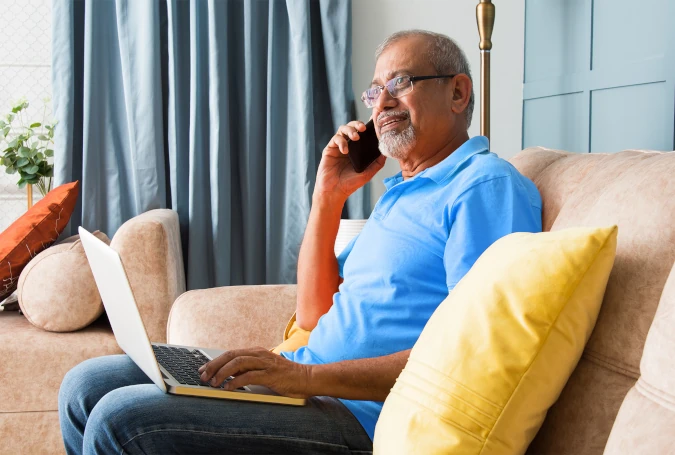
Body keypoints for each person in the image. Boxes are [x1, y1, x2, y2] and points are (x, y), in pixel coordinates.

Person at [59, 30, 542, 454]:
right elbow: (313, 315)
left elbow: (466, 352)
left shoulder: (483, 186)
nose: (382, 104)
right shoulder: (403, 192)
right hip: (305, 382)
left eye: (400, 83)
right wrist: (326, 198)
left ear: (458, 92)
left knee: (119, 419)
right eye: (375, 91)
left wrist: (302, 379)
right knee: (86, 384)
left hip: (361, 416)